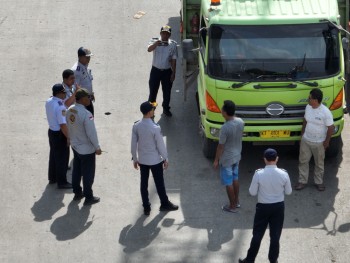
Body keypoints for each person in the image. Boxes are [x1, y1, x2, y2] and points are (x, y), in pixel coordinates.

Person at [239, 148, 292, 263]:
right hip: (278, 208)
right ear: (277, 159)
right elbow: (288, 192)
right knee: (275, 235)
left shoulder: (259, 174)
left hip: (263, 208)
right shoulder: (284, 174)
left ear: (264, 159)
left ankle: (250, 260)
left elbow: (252, 192)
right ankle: (273, 260)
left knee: (257, 235)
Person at [131, 101, 179, 216]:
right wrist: (166, 158)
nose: (154, 110)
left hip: (142, 160)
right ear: (149, 112)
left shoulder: (136, 125)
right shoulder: (155, 127)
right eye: (153, 109)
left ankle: (146, 207)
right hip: (155, 160)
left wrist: (135, 158)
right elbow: (160, 145)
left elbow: (133, 144)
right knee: (159, 182)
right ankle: (164, 203)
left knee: (144, 183)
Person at [66, 88, 102, 206]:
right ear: (82, 99)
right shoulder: (86, 114)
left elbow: (69, 126)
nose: (90, 99)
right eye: (88, 97)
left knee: (77, 170)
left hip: (75, 146)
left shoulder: (70, 110)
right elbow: (91, 133)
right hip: (86, 149)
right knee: (88, 173)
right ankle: (88, 196)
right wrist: (97, 147)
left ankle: (77, 192)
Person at [295, 88, 334, 192]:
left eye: (310, 98)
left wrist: (326, 142)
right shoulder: (308, 107)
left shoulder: (325, 112)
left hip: (319, 143)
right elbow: (305, 120)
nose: (308, 99)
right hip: (306, 140)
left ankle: (319, 182)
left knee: (319, 163)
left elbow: (331, 128)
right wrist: (302, 134)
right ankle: (302, 181)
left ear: (316, 100)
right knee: (303, 161)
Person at [213, 100, 244, 213]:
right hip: (237, 156)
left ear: (225, 112)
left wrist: (216, 160)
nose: (221, 111)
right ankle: (237, 201)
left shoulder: (225, 128)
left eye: (222, 110)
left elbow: (220, 147)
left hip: (227, 159)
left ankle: (232, 206)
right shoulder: (241, 122)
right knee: (235, 179)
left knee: (228, 182)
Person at [45, 83, 72, 188]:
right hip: (60, 134)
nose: (65, 95)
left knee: (53, 156)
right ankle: (62, 182)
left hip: (51, 131)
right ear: (59, 93)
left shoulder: (49, 101)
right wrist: (68, 137)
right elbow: (63, 125)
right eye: (64, 93)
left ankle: (52, 178)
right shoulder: (60, 107)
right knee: (62, 159)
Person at [147, 25, 178, 117]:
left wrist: (174, 73)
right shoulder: (154, 40)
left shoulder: (172, 44)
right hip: (155, 71)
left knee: (167, 92)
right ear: (160, 33)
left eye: (167, 34)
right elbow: (149, 49)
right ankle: (151, 110)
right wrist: (156, 43)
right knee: (153, 92)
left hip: (167, 71)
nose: (165, 35)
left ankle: (165, 108)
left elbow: (173, 59)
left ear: (169, 35)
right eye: (163, 33)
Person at [72, 47, 94, 115]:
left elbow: (87, 82)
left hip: (88, 99)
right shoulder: (76, 71)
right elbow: (75, 88)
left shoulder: (85, 66)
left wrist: (91, 93)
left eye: (89, 57)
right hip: (82, 101)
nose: (89, 59)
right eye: (87, 57)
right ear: (80, 57)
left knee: (90, 119)